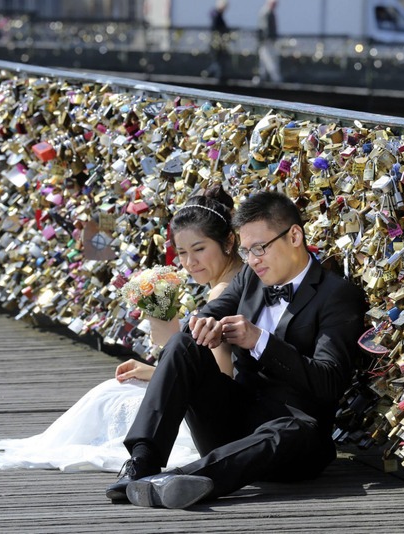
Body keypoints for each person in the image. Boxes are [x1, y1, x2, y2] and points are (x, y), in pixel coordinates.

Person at [107, 191, 368, 510]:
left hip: (293, 438)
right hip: (233, 422)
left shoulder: (337, 295)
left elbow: (330, 383)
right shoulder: (250, 276)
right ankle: (142, 464)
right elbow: (214, 308)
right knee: (183, 342)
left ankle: (180, 480)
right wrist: (203, 322)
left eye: (260, 248)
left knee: (294, 429)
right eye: (246, 251)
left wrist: (260, 340)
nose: (253, 259)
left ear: (295, 235)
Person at [0, 187, 243, 473]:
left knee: (112, 395)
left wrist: (160, 369)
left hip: (219, 412)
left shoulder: (222, 293)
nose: (190, 263)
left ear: (228, 241)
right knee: (118, 390)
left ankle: (142, 457)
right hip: (220, 395)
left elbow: (221, 375)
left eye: (199, 249)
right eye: (182, 253)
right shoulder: (235, 278)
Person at [254, 0, 283, 84]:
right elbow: (264, 27)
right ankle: (275, 78)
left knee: (264, 60)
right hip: (266, 41)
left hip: (267, 41)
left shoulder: (268, 12)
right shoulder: (266, 13)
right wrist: (267, 38)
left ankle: (261, 77)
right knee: (269, 59)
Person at [207, 0, 231, 83]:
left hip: (219, 41)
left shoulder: (219, 15)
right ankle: (216, 76)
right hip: (217, 42)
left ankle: (212, 74)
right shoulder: (216, 14)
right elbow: (215, 27)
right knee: (218, 60)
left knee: (219, 60)